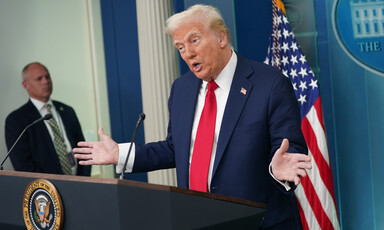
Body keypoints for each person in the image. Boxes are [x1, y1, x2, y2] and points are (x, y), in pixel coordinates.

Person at [73, 4, 311, 229]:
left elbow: (289, 148)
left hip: (258, 223)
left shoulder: (269, 83)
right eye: (180, 47)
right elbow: (174, 148)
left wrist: (277, 169)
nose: (187, 53)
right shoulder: (182, 88)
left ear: (221, 38)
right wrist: (120, 154)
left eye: (194, 40)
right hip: (200, 221)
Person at [5, 62, 91, 176]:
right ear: (25, 85)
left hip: (80, 184)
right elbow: (23, 166)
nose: (45, 82)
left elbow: (83, 149)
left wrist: (84, 181)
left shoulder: (67, 111)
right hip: (45, 190)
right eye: (39, 79)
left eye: (47, 77)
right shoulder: (17, 120)